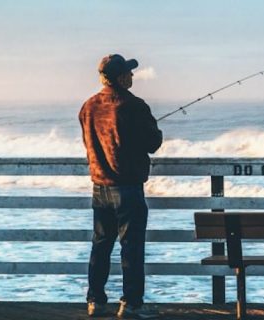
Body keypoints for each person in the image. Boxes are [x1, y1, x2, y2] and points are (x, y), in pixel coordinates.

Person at [79, 54, 163, 319]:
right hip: (127, 188)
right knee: (132, 247)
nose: (133, 76)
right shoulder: (133, 105)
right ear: (119, 77)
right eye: (128, 72)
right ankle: (131, 304)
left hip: (99, 187)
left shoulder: (88, 106)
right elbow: (153, 143)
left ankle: (95, 301)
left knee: (100, 245)